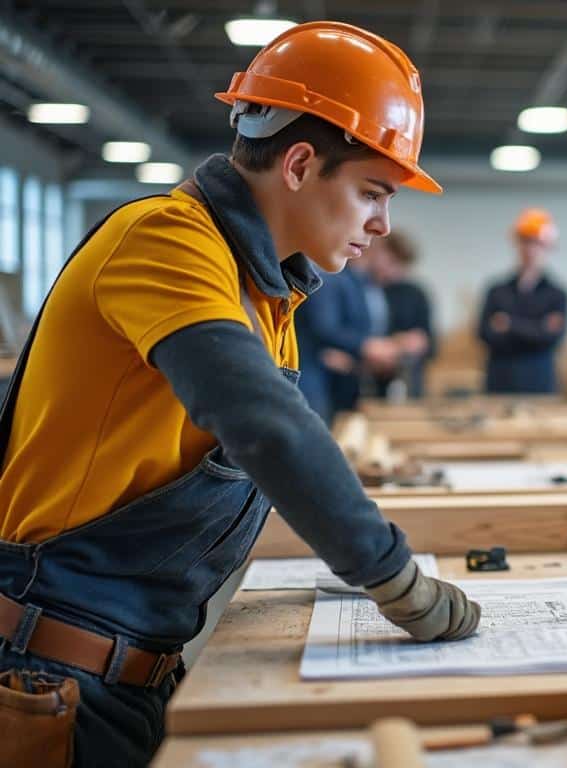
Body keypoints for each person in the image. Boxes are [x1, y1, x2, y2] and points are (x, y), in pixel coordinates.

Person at [0, 23, 479, 766]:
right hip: (51, 675)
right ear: (297, 163)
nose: (382, 226)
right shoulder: (165, 238)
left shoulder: (267, 292)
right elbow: (266, 427)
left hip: (131, 670)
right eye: (372, 193)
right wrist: (396, 580)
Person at [295, 257, 403, 422]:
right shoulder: (331, 276)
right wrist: (364, 346)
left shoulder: (361, 282)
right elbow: (324, 327)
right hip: (311, 371)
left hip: (343, 371)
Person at [477, 208, 567, 394]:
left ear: (548, 247)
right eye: (525, 242)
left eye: (536, 243)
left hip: (539, 386)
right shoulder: (496, 291)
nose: (530, 249)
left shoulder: (558, 295)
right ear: (517, 244)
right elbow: (484, 333)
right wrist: (537, 327)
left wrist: (509, 324)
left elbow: (552, 339)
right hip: (499, 384)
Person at [367, 232, 435, 399]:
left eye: (399, 264)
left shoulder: (416, 293)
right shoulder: (366, 290)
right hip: (368, 378)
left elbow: (432, 343)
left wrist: (418, 342)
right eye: (390, 262)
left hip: (408, 379)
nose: (393, 270)